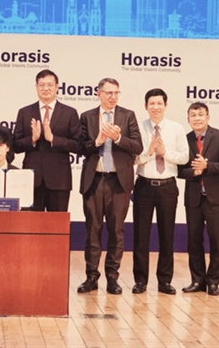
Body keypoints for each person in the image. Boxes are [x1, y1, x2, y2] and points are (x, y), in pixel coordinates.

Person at [77, 78, 142, 295]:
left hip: (118, 181)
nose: (113, 97)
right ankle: (91, 276)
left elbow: (137, 146)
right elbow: (80, 148)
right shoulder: (86, 117)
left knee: (116, 231)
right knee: (92, 230)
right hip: (94, 181)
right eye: (108, 93)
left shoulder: (127, 115)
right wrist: (97, 141)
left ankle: (112, 278)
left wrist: (118, 137)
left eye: (116, 92)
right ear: (99, 94)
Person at [132, 88, 188, 295]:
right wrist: (149, 153)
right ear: (146, 106)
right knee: (140, 235)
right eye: (152, 103)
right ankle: (140, 280)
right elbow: (132, 158)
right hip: (144, 185)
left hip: (167, 186)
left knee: (167, 234)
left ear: (166, 105)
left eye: (159, 103)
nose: (156, 107)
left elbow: (184, 157)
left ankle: (164, 281)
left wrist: (165, 153)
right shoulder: (137, 128)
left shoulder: (176, 128)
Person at [177, 102, 219, 296]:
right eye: (193, 115)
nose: (197, 118)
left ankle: (213, 281)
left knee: (217, 241)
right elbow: (180, 171)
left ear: (208, 117)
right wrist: (195, 171)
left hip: (216, 197)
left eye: (201, 115)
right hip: (193, 198)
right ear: (188, 119)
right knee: (194, 241)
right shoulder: (184, 140)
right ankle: (197, 280)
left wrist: (207, 166)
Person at [13, 69, 81, 211]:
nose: (46, 88)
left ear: (57, 87)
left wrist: (53, 139)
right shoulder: (25, 112)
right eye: (41, 85)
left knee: (57, 227)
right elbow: (15, 145)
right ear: (36, 87)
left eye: (50, 85)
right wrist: (32, 139)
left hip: (59, 179)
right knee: (32, 227)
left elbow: (78, 145)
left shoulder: (69, 112)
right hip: (32, 179)